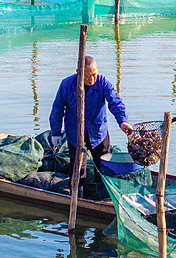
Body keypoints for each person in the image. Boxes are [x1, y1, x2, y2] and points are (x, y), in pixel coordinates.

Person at [50, 56, 133, 197]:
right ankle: (77, 194)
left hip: (98, 132)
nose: (91, 79)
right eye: (87, 75)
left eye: (94, 74)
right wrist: (56, 133)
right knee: (78, 168)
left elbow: (115, 102)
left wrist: (122, 121)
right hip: (76, 132)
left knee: (103, 167)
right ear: (78, 72)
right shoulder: (67, 85)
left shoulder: (103, 83)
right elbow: (57, 109)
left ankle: (103, 196)